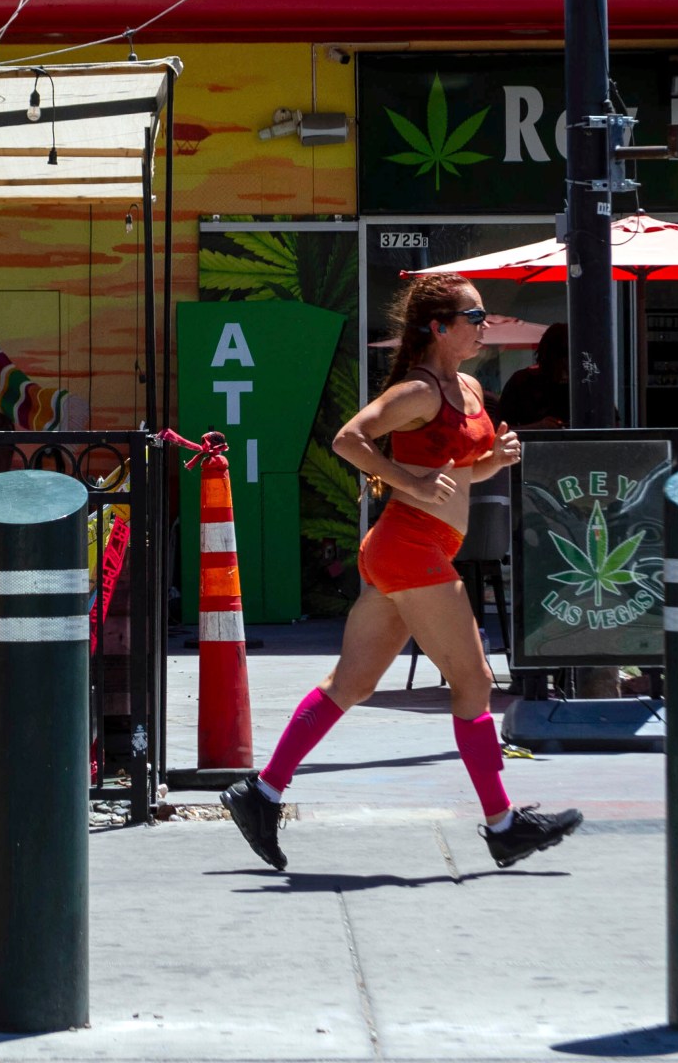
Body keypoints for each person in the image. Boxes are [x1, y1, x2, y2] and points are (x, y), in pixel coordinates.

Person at [223, 275, 585, 871]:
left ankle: (260, 793)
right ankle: (502, 825)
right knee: (473, 686)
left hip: (411, 550)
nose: (485, 323)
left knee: (351, 685)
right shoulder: (419, 391)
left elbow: (466, 470)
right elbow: (349, 440)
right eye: (475, 314)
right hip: (410, 547)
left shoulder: (466, 386)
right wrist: (410, 480)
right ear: (439, 327)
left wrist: (498, 456)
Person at [496, 321, 570, 429]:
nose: (566, 364)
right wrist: (537, 427)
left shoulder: (585, 383)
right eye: (563, 357)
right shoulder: (522, 381)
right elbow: (499, 428)